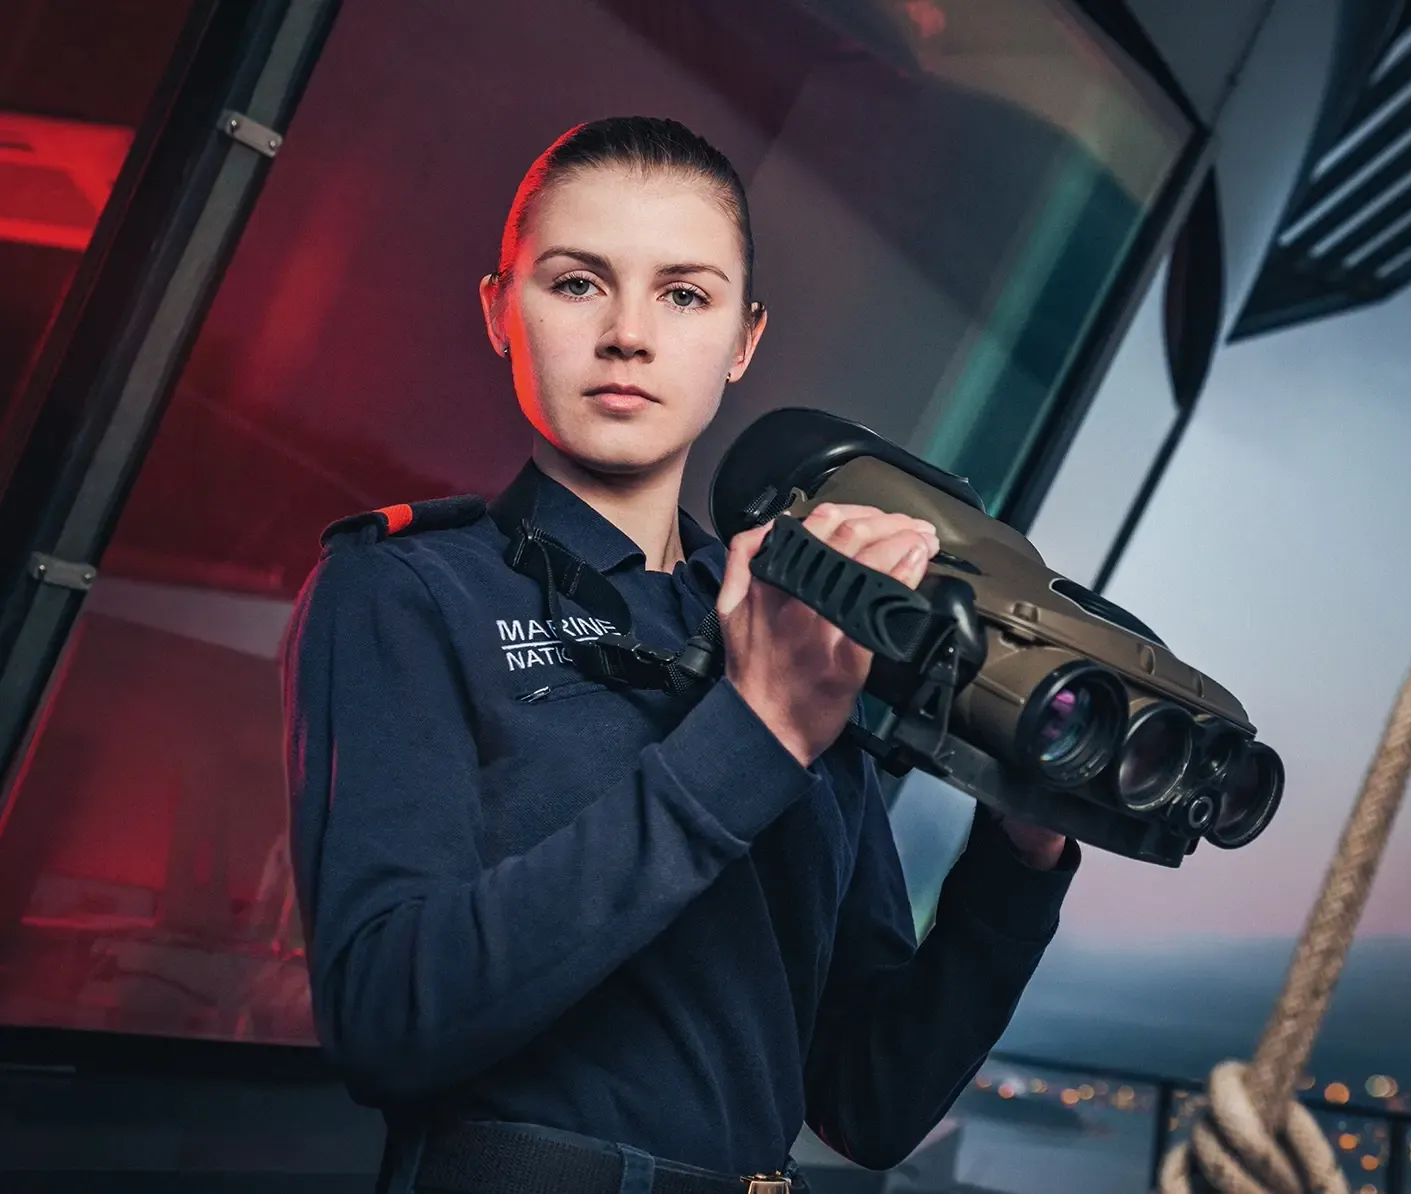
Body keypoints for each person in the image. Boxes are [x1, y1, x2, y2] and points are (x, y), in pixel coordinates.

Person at [280, 116, 1080, 1194]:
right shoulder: (408, 590)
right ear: (498, 311)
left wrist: (1020, 858)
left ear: (743, 340)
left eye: (684, 294)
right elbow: (387, 1020)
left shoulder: (804, 626)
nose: (627, 335)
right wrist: (755, 735)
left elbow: (867, 1102)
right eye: (575, 284)